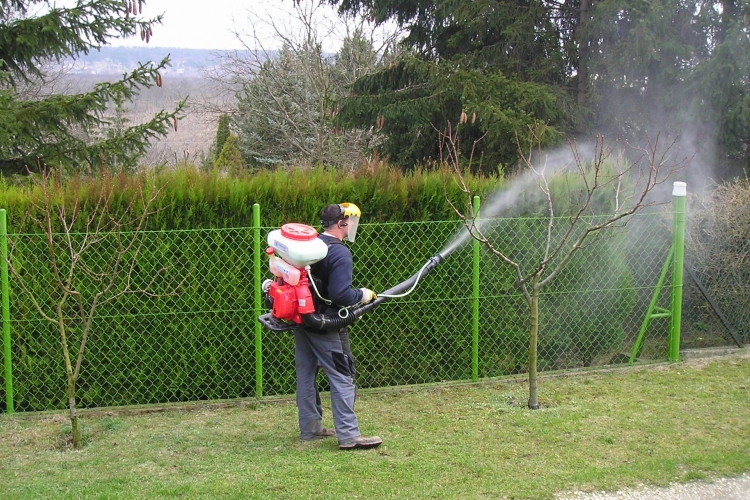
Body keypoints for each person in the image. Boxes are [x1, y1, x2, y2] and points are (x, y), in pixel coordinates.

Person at [294, 202, 382, 450]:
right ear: (343, 223)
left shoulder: (311, 246)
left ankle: (310, 429)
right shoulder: (339, 252)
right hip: (326, 325)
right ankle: (349, 436)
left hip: (304, 320)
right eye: (352, 222)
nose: (353, 226)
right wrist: (362, 295)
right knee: (343, 375)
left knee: (306, 376)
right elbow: (340, 294)